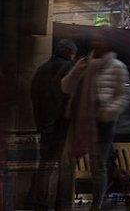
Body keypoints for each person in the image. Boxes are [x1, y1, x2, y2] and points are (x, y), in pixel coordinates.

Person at [62, 34, 130, 211]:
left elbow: (124, 95)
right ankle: (63, 203)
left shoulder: (117, 67)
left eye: (102, 40)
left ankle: (96, 206)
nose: (97, 43)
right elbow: (66, 87)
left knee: (98, 166)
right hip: (78, 120)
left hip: (102, 124)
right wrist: (76, 69)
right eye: (95, 39)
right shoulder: (85, 64)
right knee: (68, 161)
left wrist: (107, 112)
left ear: (109, 44)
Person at [28, 39, 77, 210]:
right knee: (65, 166)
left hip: (44, 125)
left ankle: (39, 202)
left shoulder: (41, 69)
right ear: (69, 53)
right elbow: (70, 98)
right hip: (62, 125)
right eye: (73, 54)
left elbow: (34, 97)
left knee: (45, 165)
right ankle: (62, 203)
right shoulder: (69, 68)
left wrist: (42, 122)